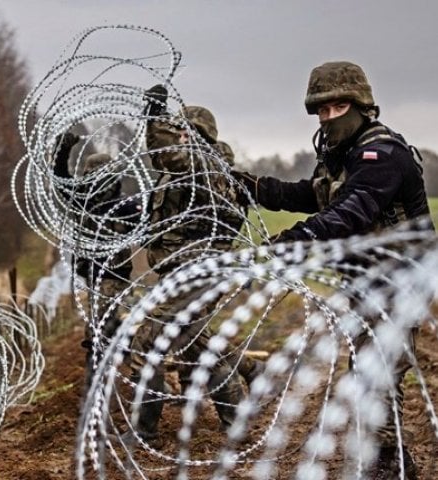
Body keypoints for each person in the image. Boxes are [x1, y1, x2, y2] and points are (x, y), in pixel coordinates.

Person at [233, 61, 432, 479]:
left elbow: (352, 210)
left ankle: (386, 464)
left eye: (337, 107)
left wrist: (297, 238)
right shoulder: (341, 158)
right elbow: (313, 195)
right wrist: (254, 187)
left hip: (398, 281)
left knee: (375, 375)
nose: (328, 118)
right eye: (321, 111)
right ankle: (394, 462)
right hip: (366, 280)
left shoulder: (382, 155)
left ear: (360, 106)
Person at [122, 85, 263, 445]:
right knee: (196, 345)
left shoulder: (206, 164)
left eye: (187, 132)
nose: (181, 137)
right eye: (179, 130)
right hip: (185, 272)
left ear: (202, 137)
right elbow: (165, 160)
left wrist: (154, 116)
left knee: (145, 344)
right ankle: (239, 419)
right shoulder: (189, 169)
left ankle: (144, 431)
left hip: (195, 273)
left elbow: (171, 154)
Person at [52, 132, 141, 390]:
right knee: (107, 326)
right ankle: (135, 371)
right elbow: (60, 179)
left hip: (113, 275)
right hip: (95, 274)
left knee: (100, 329)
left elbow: (144, 225)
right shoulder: (84, 201)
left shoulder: (121, 204)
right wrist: (63, 148)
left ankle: (98, 387)